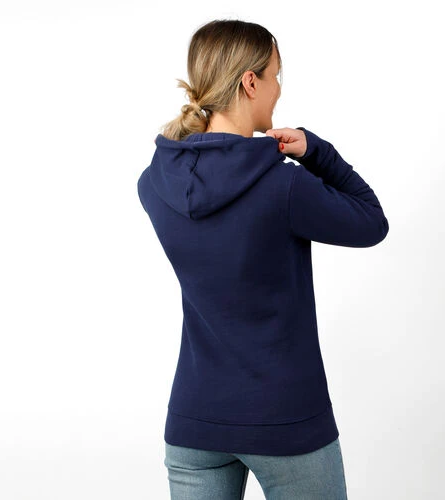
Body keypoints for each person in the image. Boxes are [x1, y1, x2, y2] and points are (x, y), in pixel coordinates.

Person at [137, 18, 389, 500]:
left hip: (194, 424)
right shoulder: (284, 185)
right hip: (285, 421)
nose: (279, 87)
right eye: (276, 74)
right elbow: (371, 221)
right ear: (250, 82)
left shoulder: (154, 185)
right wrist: (317, 152)